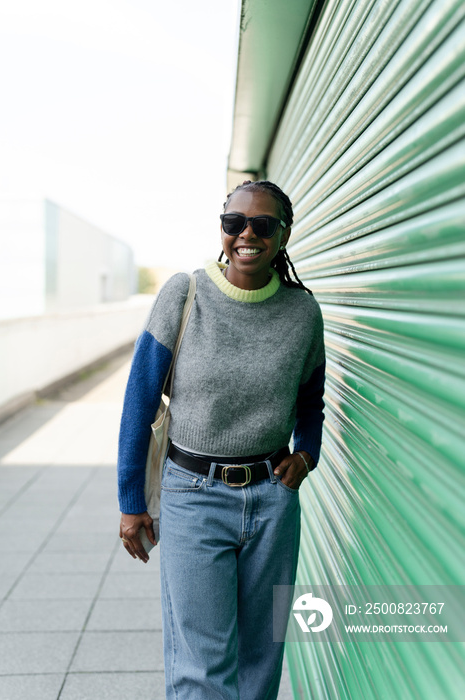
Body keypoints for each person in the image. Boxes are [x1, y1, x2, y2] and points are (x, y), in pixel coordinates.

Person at [117, 180, 326, 700]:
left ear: (283, 234)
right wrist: (131, 501)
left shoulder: (303, 313)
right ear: (222, 228)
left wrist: (307, 455)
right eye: (235, 223)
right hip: (193, 495)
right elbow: (139, 400)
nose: (247, 234)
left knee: (261, 661)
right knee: (202, 668)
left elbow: (311, 401)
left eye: (263, 224)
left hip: (273, 502)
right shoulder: (184, 294)